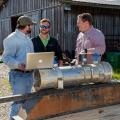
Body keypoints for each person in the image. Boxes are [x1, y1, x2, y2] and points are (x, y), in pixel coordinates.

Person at [2, 16, 36, 119]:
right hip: (18, 76)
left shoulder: (27, 38)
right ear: (26, 26)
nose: (32, 28)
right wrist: (18, 65)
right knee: (17, 104)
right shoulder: (11, 39)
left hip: (29, 75)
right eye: (31, 25)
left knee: (26, 105)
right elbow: (6, 58)